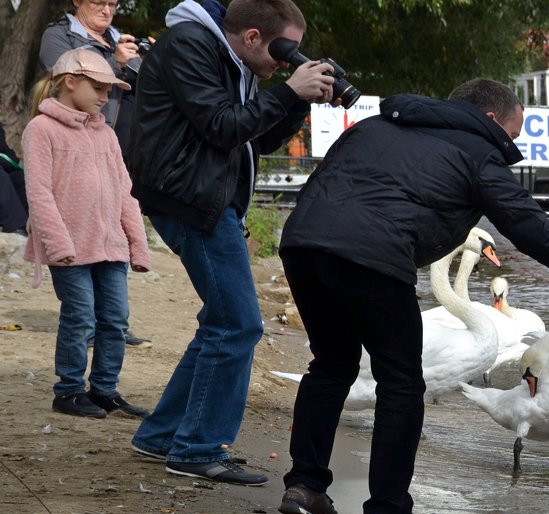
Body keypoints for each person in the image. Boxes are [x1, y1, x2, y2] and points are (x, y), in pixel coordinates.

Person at [276, 78, 549, 514]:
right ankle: (388, 511)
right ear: (491, 118)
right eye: (512, 134)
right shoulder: (479, 154)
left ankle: (304, 488)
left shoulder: (373, 126)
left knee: (331, 365)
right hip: (374, 255)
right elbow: (533, 230)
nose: (510, 144)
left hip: (303, 245)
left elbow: (328, 182)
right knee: (401, 383)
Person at [126, 0, 334, 486]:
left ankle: (163, 436)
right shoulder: (190, 46)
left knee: (222, 322)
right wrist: (286, 91)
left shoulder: (228, 59)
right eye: (286, 50)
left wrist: (299, 99)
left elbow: (252, 139)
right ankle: (197, 449)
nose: (286, 61)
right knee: (238, 324)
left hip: (205, 200)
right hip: (192, 200)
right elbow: (221, 127)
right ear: (253, 36)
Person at [22, 48, 152, 419]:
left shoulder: (107, 135)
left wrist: (137, 246)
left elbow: (125, 191)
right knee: (80, 317)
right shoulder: (40, 130)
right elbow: (39, 192)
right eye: (98, 88)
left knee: (116, 319)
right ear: (69, 82)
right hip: (70, 247)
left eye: (108, 91)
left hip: (111, 246)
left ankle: (105, 390)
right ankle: (68, 391)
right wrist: (57, 243)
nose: (104, 97)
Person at [41, 0, 152, 347]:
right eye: (98, 2)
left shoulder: (119, 38)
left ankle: (111, 322)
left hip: (117, 145)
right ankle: (85, 322)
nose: (107, 10)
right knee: (81, 229)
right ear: (77, 1)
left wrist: (153, 61)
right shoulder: (59, 36)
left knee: (113, 230)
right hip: (75, 146)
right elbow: (58, 74)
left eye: (112, 4)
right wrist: (113, 63)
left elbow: (145, 89)